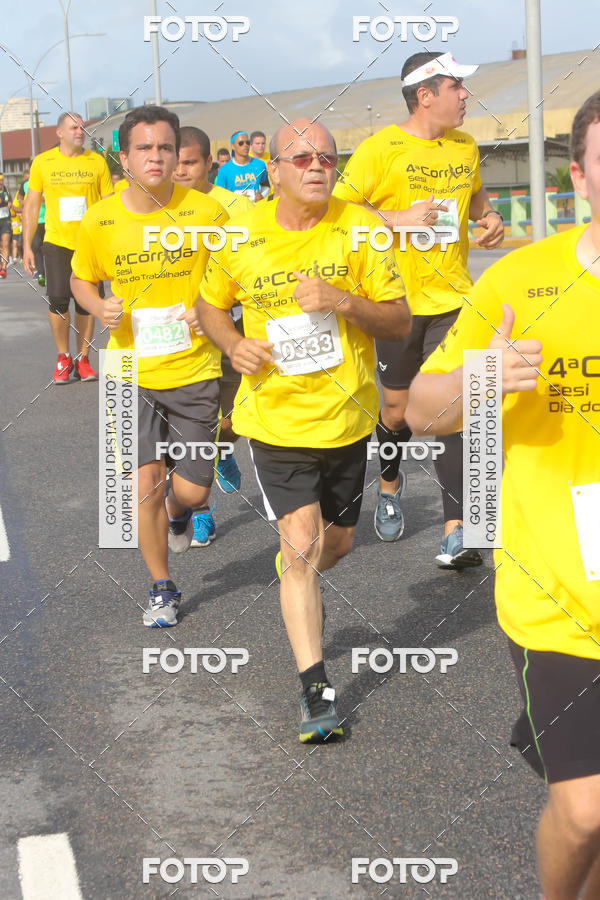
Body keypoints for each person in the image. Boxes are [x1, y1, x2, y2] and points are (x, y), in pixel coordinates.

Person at [405, 91, 600, 900]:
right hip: (558, 595)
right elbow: (420, 411)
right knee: (586, 811)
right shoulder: (523, 279)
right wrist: (484, 376)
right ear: (580, 177)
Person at [196, 118, 410, 742]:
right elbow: (211, 305)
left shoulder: (360, 228)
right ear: (275, 171)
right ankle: (316, 694)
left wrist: (341, 300)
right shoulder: (240, 232)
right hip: (275, 419)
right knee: (299, 545)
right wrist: (232, 343)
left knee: (334, 546)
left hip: (345, 420)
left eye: (327, 158)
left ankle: (302, 574)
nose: (317, 166)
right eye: (302, 157)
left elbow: (399, 322)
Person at [334, 51, 504, 567]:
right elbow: (337, 211)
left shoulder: (465, 145)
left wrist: (489, 216)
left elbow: (474, 196)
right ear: (425, 95)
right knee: (397, 411)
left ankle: (457, 531)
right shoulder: (379, 148)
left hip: (455, 299)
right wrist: (396, 217)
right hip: (397, 303)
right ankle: (389, 483)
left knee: (453, 407)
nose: (465, 95)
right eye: (456, 86)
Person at [71, 105, 227, 627]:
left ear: (177, 154)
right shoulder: (101, 219)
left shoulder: (206, 213)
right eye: (144, 148)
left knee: (193, 489)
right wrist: (98, 306)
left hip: (193, 368)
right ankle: (163, 588)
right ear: (124, 156)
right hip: (126, 370)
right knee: (145, 486)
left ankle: (181, 514)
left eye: (165, 147)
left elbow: (235, 274)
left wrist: (210, 309)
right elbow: (80, 278)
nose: (155, 157)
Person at [173, 125, 253, 496]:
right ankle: (198, 509)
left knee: (236, 417)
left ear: (209, 163)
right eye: (175, 163)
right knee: (192, 424)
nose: (180, 171)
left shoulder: (237, 207)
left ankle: (222, 450)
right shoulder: (159, 206)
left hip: (228, 327)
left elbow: (252, 269)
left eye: (189, 163)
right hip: (179, 335)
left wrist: (218, 306)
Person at [22, 112, 113, 383]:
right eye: (74, 127)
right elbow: (31, 206)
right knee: (59, 300)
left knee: (87, 303)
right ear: (59, 132)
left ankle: (83, 358)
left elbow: (109, 204)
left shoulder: (96, 162)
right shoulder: (43, 162)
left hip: (89, 244)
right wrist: (27, 246)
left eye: (82, 127)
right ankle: (63, 357)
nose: (80, 131)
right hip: (57, 242)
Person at [215, 131, 268, 201]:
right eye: (241, 143)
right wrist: (237, 200)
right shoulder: (224, 170)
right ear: (233, 146)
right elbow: (220, 196)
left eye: (247, 142)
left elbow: (266, 185)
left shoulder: (260, 164)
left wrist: (262, 196)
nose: (245, 145)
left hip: (257, 207)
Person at [22, 177, 45, 285]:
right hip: (34, 221)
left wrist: (39, 198)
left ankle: (48, 274)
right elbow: (22, 200)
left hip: (48, 220)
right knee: (36, 247)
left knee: (47, 249)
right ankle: (41, 274)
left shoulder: (46, 180)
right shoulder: (26, 184)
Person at [0, 173, 13, 277]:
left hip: (5, 220)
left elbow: (10, 202)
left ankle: (4, 268)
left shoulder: (6, 190)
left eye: (2, 179)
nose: (1, 182)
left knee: (5, 243)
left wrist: (10, 204)